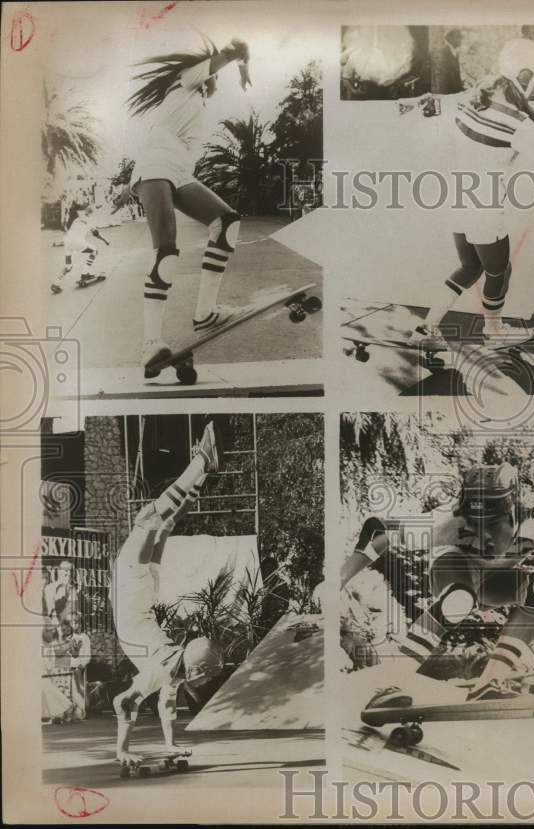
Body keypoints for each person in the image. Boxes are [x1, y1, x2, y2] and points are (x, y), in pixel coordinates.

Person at [340, 463, 534, 705]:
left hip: (495, 584)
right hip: (453, 575)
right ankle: (390, 682)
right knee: (460, 597)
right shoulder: (449, 525)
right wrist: (338, 580)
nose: (482, 538)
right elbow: (376, 530)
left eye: (493, 526)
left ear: (513, 515)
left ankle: (490, 681)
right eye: (474, 527)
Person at [400, 41, 534, 350]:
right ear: (525, 74)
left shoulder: (474, 96)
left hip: (456, 198)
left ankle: (427, 328)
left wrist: (407, 105)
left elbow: (430, 104)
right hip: (485, 205)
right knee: (499, 270)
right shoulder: (518, 122)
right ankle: (495, 331)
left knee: (469, 267)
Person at [116, 36, 254, 378]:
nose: (215, 81)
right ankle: (151, 342)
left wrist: (240, 65)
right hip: (155, 167)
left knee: (227, 221)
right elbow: (228, 53)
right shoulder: (186, 81)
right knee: (167, 251)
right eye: (214, 76)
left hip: (178, 172)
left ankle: (206, 312)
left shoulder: (198, 101)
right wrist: (240, 59)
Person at [111, 422, 225, 768]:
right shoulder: (172, 671)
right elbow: (167, 705)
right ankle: (201, 469)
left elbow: (123, 701)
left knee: (151, 519)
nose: (202, 680)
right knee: (160, 523)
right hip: (137, 599)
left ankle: (200, 466)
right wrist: (171, 744)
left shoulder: (166, 670)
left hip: (138, 595)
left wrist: (122, 749)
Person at [51, 204, 111, 294]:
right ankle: (85, 273)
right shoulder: (90, 220)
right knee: (94, 251)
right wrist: (106, 240)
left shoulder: (78, 219)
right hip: (77, 242)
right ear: (92, 214)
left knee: (68, 266)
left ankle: (56, 283)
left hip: (67, 241)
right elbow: (96, 234)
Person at [430, 29, 464, 94]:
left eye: (461, 37)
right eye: (458, 37)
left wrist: (460, 89)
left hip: (455, 91)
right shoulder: (444, 53)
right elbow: (443, 77)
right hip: (447, 93)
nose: (460, 40)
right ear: (450, 39)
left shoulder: (455, 53)